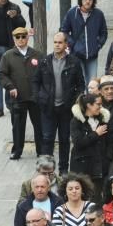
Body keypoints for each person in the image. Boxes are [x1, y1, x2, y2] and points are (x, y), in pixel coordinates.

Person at [34, 32, 86, 175]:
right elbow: (36, 81)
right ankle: (46, 169)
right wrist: (39, 97)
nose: (57, 45)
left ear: (65, 44)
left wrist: (76, 99)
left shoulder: (73, 62)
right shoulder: (44, 61)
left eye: (60, 42)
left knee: (64, 139)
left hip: (66, 108)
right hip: (48, 107)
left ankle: (63, 169)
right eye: (55, 42)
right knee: (47, 138)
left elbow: (81, 84)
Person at [0, 26, 44, 160]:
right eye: (17, 37)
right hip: (18, 97)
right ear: (14, 39)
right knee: (18, 126)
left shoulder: (37, 54)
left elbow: (44, 73)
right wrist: (10, 86)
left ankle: (41, 150)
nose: (21, 39)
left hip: (35, 96)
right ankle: (17, 150)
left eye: (23, 36)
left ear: (27, 38)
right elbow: (1, 74)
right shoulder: (8, 55)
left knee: (39, 125)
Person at [60, 0, 108, 84]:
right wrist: (73, 44)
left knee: (92, 83)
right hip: (77, 55)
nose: (87, 1)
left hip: (92, 55)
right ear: (80, 0)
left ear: (93, 0)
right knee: (81, 82)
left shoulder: (98, 14)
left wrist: (98, 45)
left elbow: (104, 32)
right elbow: (64, 31)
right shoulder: (72, 13)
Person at [70, 94, 113, 186]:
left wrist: (107, 158)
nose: (101, 107)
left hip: (100, 167)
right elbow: (78, 143)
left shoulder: (103, 120)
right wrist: (96, 134)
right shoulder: (76, 121)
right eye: (98, 104)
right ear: (89, 105)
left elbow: (110, 141)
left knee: (97, 197)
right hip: (82, 167)